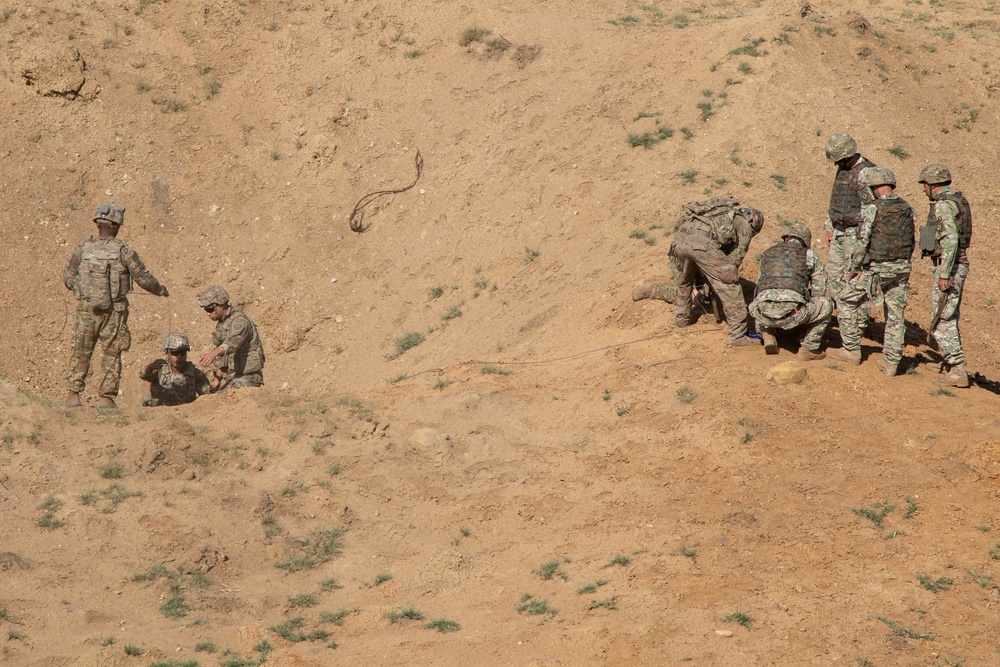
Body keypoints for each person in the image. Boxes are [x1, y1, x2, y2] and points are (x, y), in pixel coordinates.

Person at [63, 203, 169, 408]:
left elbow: (68, 277)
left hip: (86, 310)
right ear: (115, 225)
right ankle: (106, 398)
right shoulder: (124, 251)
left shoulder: (82, 248)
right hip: (114, 312)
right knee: (112, 353)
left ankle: (73, 395)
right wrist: (160, 290)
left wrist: (84, 291)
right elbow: (143, 277)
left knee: (81, 350)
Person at [827, 167, 915, 376]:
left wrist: (855, 268)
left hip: (876, 270)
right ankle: (891, 363)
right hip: (902, 269)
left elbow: (862, 241)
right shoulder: (907, 207)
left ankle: (851, 350)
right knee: (895, 315)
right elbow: (911, 240)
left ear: (872, 187)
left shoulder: (871, 209)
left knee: (847, 300)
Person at [670, 197, 764, 346]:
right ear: (753, 222)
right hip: (702, 245)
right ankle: (737, 335)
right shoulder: (744, 224)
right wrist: (716, 279)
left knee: (684, 282)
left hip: (679, 242)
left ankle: (682, 319)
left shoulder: (713, 215)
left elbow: (679, 273)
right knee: (730, 286)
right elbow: (735, 259)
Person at [919, 163, 972, 388]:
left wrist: (944, 273)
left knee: (942, 318)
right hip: (956, 266)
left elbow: (950, 240)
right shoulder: (957, 201)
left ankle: (957, 368)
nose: (923, 189)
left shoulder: (942, 206)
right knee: (949, 314)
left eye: (925, 185)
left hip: (949, 267)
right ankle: (950, 362)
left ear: (933, 185)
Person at [748, 223, 833, 360]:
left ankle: (767, 333)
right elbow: (819, 291)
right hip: (791, 314)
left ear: (786, 238)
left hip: (760, 312)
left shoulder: (768, 253)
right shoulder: (809, 255)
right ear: (805, 241)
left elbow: (760, 286)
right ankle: (809, 348)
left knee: (762, 298)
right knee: (826, 304)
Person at [823, 133, 875, 297]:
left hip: (856, 232)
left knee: (854, 280)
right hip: (839, 230)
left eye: (838, 160)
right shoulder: (843, 169)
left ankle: (858, 320)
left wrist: (864, 237)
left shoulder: (867, 172)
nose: (836, 164)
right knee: (833, 275)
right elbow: (835, 197)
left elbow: (872, 208)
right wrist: (830, 226)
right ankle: (842, 316)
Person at [197, 285, 265, 390]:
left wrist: (213, 353)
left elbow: (231, 344)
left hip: (249, 378)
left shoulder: (240, 321)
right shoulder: (223, 323)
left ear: (222, 305)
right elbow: (225, 355)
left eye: (210, 309)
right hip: (233, 378)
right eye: (205, 309)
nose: (207, 313)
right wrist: (217, 381)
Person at [138, 333, 212, 406]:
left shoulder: (195, 373)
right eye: (175, 353)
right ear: (167, 353)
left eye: (182, 353)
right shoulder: (160, 369)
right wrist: (151, 366)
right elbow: (142, 374)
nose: (179, 357)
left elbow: (206, 397)